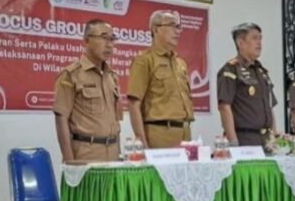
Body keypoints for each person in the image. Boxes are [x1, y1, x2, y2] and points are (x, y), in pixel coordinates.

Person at [52, 19, 122, 162]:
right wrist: (69, 161)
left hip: (113, 155)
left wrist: (119, 154)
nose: (109, 44)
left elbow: (116, 122)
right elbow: (61, 119)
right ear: (86, 41)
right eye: (103, 38)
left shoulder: (112, 77)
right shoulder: (71, 75)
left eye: (112, 39)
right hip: (86, 156)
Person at [127, 10, 194, 148]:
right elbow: (134, 104)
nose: (177, 31)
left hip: (185, 134)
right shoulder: (144, 60)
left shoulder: (180, 64)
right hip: (159, 135)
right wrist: (141, 143)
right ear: (156, 29)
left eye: (178, 27)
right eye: (172, 26)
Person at [217, 22, 277, 147]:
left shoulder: (261, 71)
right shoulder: (231, 69)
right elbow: (224, 107)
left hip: (266, 139)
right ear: (240, 43)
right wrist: (233, 141)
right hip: (245, 138)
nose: (259, 43)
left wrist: (274, 136)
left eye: (260, 38)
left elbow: (270, 106)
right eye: (254, 38)